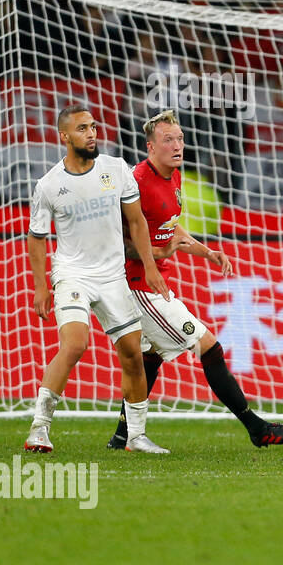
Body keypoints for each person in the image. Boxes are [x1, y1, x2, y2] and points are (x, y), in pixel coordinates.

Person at [104, 111, 283, 450]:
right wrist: (156, 256)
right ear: (150, 146)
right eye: (168, 140)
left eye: (179, 139)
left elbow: (170, 227)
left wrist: (206, 252)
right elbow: (113, 240)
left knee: (151, 356)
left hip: (153, 282)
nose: (177, 146)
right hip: (136, 286)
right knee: (209, 347)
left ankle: (124, 435)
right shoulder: (135, 183)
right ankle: (257, 428)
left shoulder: (174, 177)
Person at [25, 103, 171, 454]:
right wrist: (41, 286)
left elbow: (136, 222)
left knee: (134, 355)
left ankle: (135, 437)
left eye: (92, 127)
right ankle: (39, 428)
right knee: (75, 344)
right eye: (82, 129)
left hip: (112, 276)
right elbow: (37, 236)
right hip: (73, 274)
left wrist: (150, 266)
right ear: (64, 136)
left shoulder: (116, 169)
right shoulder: (48, 185)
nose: (91, 134)